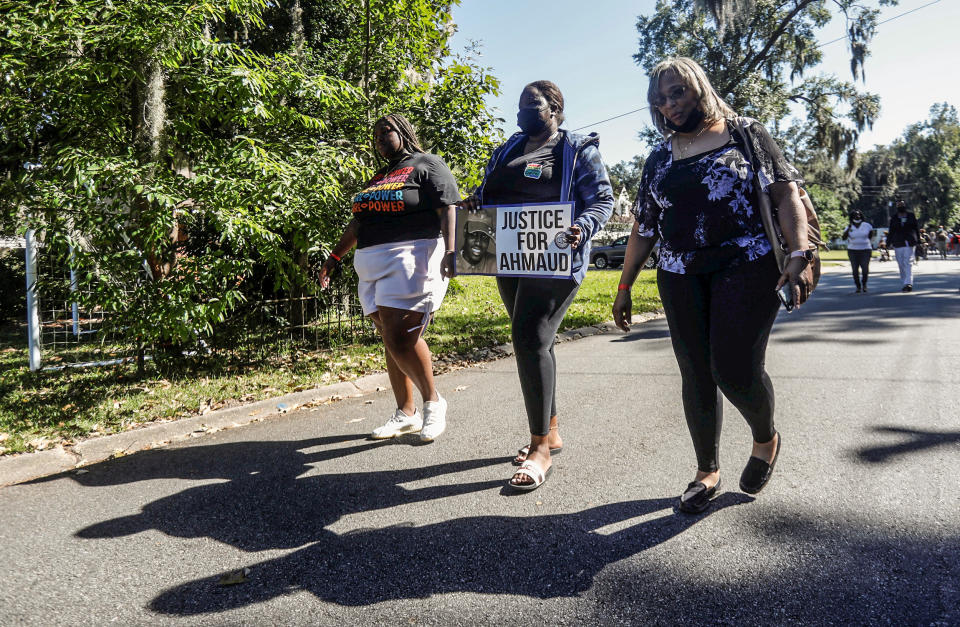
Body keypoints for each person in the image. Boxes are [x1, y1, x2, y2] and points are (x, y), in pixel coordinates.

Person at [612, 57, 813, 514]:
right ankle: (707, 471)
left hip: (747, 263)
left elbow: (785, 193)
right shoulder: (660, 156)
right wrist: (624, 286)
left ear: (697, 88)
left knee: (734, 368)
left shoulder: (745, 133)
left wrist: (799, 255)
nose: (668, 105)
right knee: (695, 372)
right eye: (659, 99)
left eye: (676, 93)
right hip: (680, 272)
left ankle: (766, 438)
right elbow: (645, 226)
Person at [460, 80, 614, 491]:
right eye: (521, 105)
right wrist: (475, 202)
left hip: (555, 256)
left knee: (528, 337)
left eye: (533, 104)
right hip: (508, 257)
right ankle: (552, 429)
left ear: (555, 109)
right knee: (536, 343)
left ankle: (540, 449)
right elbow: (488, 192)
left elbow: (601, 198)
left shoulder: (577, 149)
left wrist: (583, 226)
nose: (524, 111)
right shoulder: (508, 148)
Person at [318, 114, 459, 442]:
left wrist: (453, 251)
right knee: (388, 335)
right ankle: (405, 412)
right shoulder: (379, 178)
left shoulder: (427, 164)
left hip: (412, 255)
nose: (380, 138)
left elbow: (448, 207)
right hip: (370, 262)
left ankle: (433, 403)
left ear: (404, 131)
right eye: (376, 135)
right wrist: (334, 257)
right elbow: (358, 223)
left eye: (386, 132)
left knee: (401, 337)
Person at [887, 200, 920, 292]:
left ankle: (908, 283)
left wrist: (919, 240)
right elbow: (891, 231)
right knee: (901, 263)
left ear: (905, 205)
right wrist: (888, 243)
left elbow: (916, 228)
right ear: (897, 207)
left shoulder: (911, 216)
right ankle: (904, 281)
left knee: (908, 262)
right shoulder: (894, 218)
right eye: (899, 205)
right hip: (898, 242)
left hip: (909, 242)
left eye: (902, 204)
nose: (900, 206)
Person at [841, 210, 875, 293]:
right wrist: (848, 229)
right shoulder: (849, 226)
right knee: (855, 270)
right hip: (852, 250)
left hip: (865, 250)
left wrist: (864, 242)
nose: (857, 216)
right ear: (852, 216)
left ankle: (864, 284)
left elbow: (870, 236)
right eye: (856, 215)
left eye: (859, 215)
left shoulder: (867, 225)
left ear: (861, 216)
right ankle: (858, 286)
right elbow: (844, 238)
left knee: (865, 269)